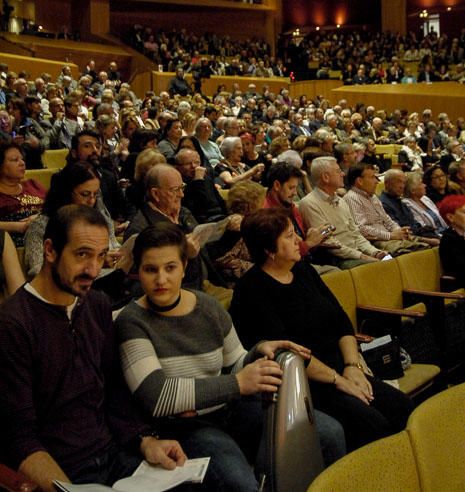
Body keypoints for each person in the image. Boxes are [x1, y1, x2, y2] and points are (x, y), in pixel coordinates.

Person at [115, 223, 335, 489]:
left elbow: (235, 362)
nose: (161, 280)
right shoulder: (132, 321)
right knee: (240, 483)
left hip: (230, 409)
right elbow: (159, 396)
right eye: (151, 270)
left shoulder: (207, 306)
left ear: (184, 266)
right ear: (138, 272)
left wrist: (258, 351)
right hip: (184, 427)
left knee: (328, 434)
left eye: (170, 268)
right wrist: (238, 384)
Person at [0, 205, 186, 492]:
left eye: (100, 257)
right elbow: (18, 435)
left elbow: (113, 388)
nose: (93, 270)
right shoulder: (14, 324)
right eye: (82, 254)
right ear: (50, 251)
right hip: (63, 470)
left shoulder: (95, 304)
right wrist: (64, 488)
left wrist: (145, 440)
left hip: (114, 453)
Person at [230, 207, 413, 452]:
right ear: (268, 250)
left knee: (403, 407)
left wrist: (352, 367)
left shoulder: (303, 270)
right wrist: (339, 380)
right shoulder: (251, 291)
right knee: (373, 425)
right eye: (288, 236)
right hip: (304, 382)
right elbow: (290, 354)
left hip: (342, 367)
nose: (298, 240)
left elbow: (340, 320)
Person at [24, 161, 126, 279]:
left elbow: (113, 245)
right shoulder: (41, 226)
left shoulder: (99, 218)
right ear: (66, 193)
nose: (91, 201)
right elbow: (37, 271)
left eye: (95, 194)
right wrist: (100, 263)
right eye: (85, 194)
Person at [299, 157, 385, 269]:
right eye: (338, 171)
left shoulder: (341, 200)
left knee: (390, 259)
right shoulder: (309, 204)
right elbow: (330, 245)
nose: (343, 174)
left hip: (356, 253)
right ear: (326, 177)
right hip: (338, 260)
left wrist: (375, 252)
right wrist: (363, 256)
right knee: (381, 268)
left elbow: (355, 234)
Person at [0, 142, 46, 247]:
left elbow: (54, 209)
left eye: (22, 159)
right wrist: (20, 226)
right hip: (15, 240)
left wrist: (39, 218)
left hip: (45, 230)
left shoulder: (33, 184)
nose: (22, 163)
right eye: (15, 160)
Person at [401, 172, 448, 238]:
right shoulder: (407, 205)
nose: (425, 185)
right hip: (433, 236)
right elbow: (422, 227)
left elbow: (441, 217)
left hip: (444, 231)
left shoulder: (425, 198)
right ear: (412, 190)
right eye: (421, 183)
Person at [438, 194, 465, 286]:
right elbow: (461, 269)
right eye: (464, 212)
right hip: (457, 286)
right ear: (451, 217)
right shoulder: (449, 239)